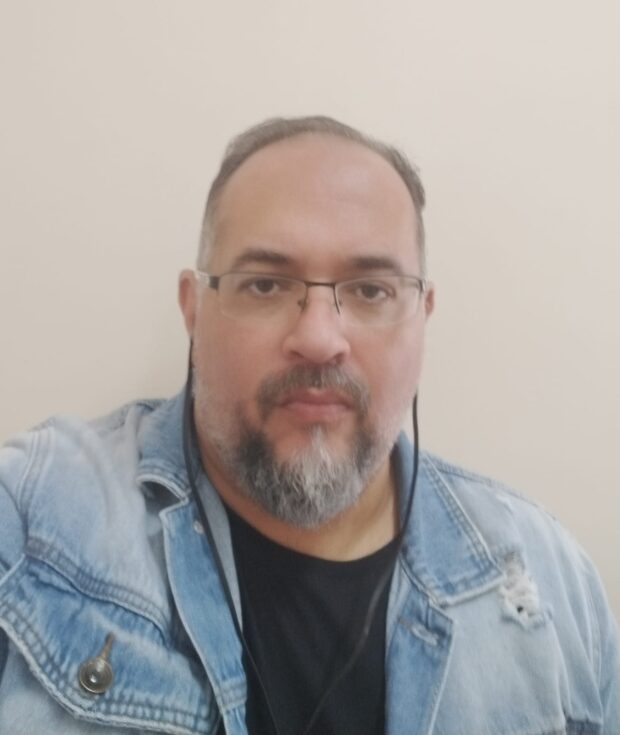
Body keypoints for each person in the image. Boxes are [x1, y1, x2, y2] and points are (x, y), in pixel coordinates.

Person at [0, 116, 618, 735]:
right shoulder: (31, 521)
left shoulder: (549, 581)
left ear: (422, 316)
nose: (320, 339)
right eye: (266, 284)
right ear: (194, 310)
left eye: (371, 290)